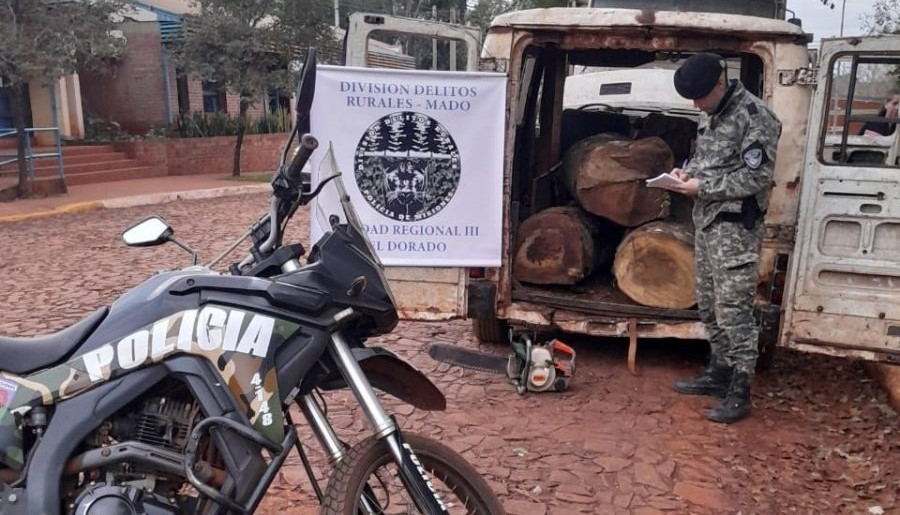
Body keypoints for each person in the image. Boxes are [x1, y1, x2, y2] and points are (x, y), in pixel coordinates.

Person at [665, 53, 782, 424]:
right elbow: (704, 159)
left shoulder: (755, 117)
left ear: (720, 83)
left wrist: (703, 186)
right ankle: (718, 372)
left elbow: (755, 178)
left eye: (700, 96)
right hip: (708, 223)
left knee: (735, 312)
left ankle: (740, 389)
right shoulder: (710, 114)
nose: (696, 105)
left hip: (735, 229)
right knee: (710, 305)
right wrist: (684, 174)